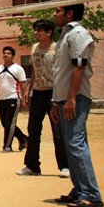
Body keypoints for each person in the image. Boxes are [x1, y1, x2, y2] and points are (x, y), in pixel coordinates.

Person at [51, 3, 104, 207]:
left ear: (70, 14)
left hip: (77, 97)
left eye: (58, 11)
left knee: (75, 143)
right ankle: (79, 189)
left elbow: (79, 68)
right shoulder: (64, 35)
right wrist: (57, 102)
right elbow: (59, 72)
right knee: (70, 145)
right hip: (64, 98)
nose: (54, 14)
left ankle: (91, 194)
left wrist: (72, 98)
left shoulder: (79, 33)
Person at [17, 20, 70, 177]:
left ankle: (64, 166)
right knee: (33, 130)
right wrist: (28, 90)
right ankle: (32, 166)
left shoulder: (57, 48)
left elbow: (61, 72)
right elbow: (34, 70)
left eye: (39, 30)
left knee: (58, 131)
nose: (36, 33)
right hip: (38, 93)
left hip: (53, 93)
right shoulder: (34, 48)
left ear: (49, 33)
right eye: (35, 30)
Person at [0, 45, 28, 152]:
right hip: (2, 99)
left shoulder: (18, 69)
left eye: (8, 53)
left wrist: (25, 99)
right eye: (4, 53)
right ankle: (23, 139)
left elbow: (23, 85)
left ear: (13, 56)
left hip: (14, 98)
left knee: (10, 123)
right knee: (4, 123)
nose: (6, 55)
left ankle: (7, 146)